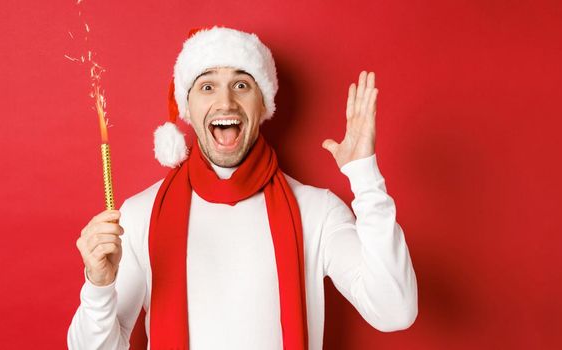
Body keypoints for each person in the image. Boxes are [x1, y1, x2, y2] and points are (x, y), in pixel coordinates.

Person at [68, 26, 417, 350]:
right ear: (187, 107)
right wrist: (98, 285)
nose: (225, 103)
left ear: (264, 103)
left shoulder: (317, 211)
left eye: (241, 85)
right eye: (207, 86)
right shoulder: (140, 214)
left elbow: (394, 311)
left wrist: (365, 177)